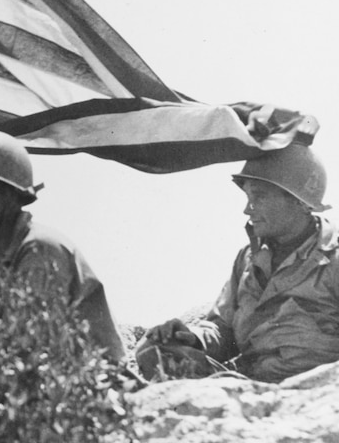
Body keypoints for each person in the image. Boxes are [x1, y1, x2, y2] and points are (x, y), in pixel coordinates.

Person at [136, 142, 337, 383]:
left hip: (316, 393)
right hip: (247, 384)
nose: (247, 209)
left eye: (259, 197)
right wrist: (192, 337)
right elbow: (225, 330)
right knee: (154, 349)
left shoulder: (333, 258)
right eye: (248, 196)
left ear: (299, 201)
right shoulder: (248, 259)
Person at [0, 130, 125, 361]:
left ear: (8, 194)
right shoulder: (2, 258)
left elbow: (29, 346)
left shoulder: (40, 249)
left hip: (96, 385)